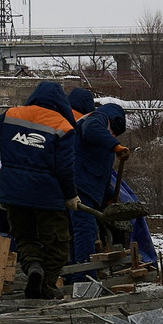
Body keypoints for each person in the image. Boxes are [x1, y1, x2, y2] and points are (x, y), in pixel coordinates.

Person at [0, 80, 82, 299]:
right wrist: (71, 195)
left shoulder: (12, 115)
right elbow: (65, 168)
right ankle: (47, 287)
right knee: (57, 244)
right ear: (61, 102)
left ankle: (34, 269)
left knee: (25, 237)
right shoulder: (63, 127)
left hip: (13, 193)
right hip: (47, 197)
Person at [67, 86, 129, 268]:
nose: (113, 135)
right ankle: (84, 277)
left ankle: (75, 274)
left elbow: (100, 175)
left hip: (83, 186)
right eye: (115, 132)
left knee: (76, 232)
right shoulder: (98, 118)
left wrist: (108, 197)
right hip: (80, 186)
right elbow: (91, 129)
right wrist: (116, 146)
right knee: (85, 229)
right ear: (114, 121)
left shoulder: (101, 137)